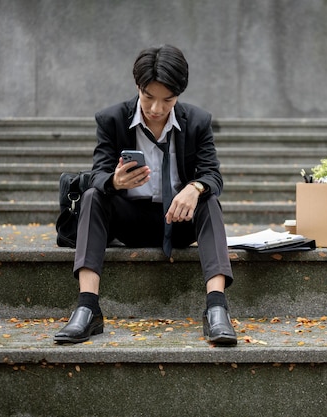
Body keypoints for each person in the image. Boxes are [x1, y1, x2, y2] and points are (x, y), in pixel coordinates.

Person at [54, 45, 237, 346]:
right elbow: (97, 174)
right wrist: (114, 181)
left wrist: (195, 188)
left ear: (179, 93)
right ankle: (87, 308)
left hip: (178, 220)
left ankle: (216, 309)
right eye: (148, 97)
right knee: (93, 196)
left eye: (168, 100)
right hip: (129, 219)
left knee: (210, 202)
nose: (156, 109)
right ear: (137, 87)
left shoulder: (198, 122)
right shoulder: (112, 119)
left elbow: (213, 176)